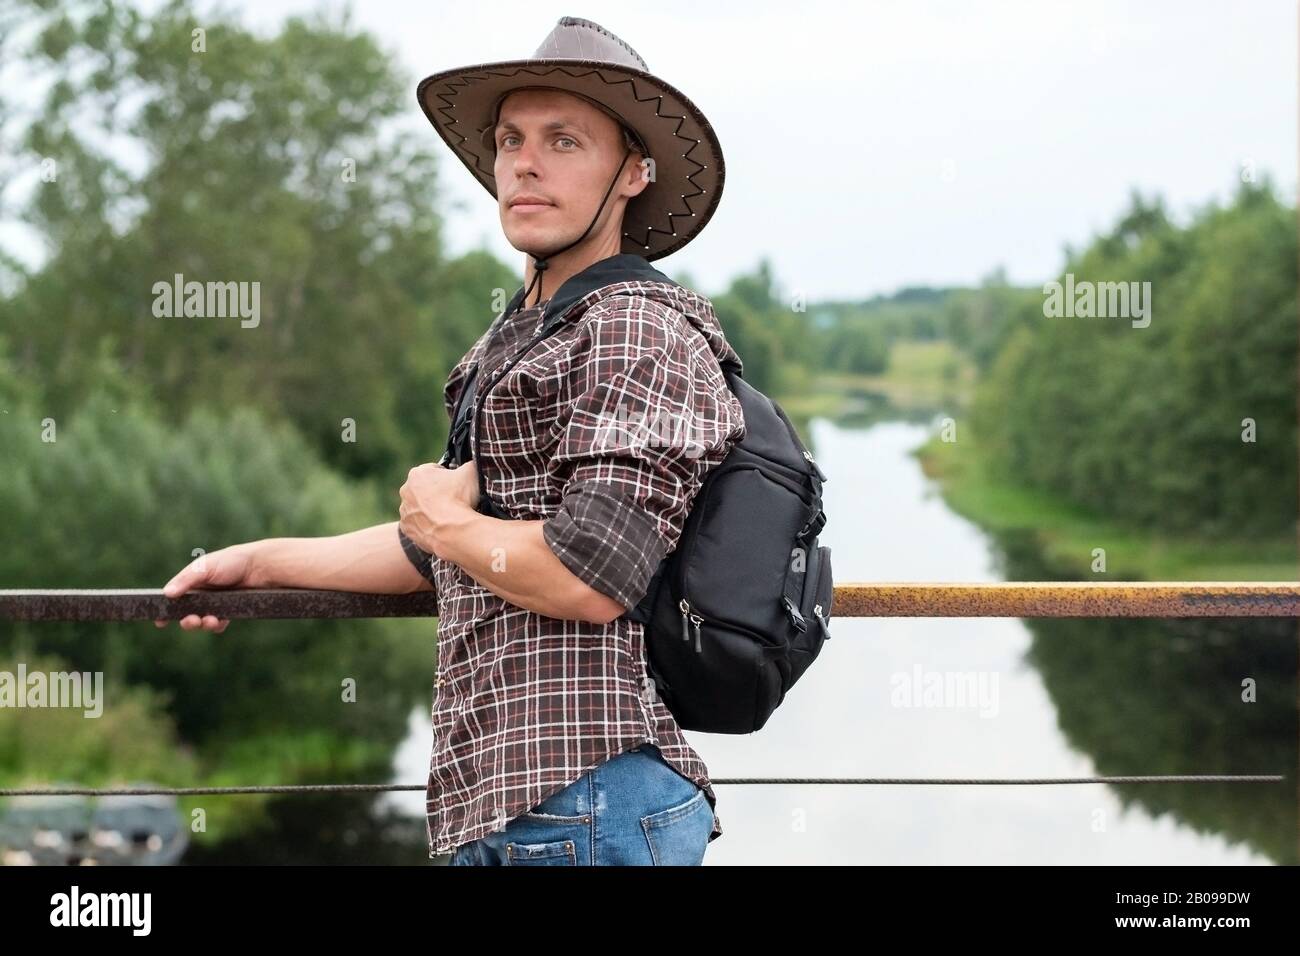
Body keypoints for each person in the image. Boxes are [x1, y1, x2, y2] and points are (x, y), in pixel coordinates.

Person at [156, 16, 744, 866]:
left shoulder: (633, 330)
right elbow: (445, 550)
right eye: (510, 140)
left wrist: (444, 524)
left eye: (564, 140)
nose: (523, 163)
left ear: (633, 174)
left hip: (583, 803)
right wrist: (257, 562)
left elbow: (591, 576)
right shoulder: (526, 334)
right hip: (522, 807)